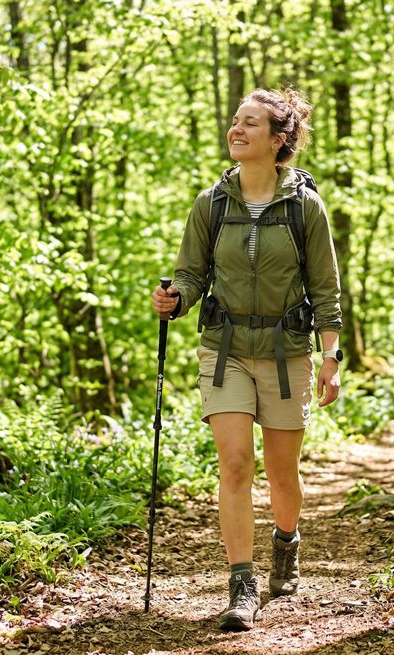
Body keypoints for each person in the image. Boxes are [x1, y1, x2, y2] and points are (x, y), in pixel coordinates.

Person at [150, 87, 343, 631]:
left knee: (283, 475)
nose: (236, 129)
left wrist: (332, 355)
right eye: (236, 121)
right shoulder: (210, 203)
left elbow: (326, 288)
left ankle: (287, 541)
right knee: (235, 464)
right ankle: (241, 583)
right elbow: (190, 273)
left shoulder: (305, 206)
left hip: (287, 354)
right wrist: (177, 298)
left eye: (250, 123)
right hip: (225, 350)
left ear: (279, 140)